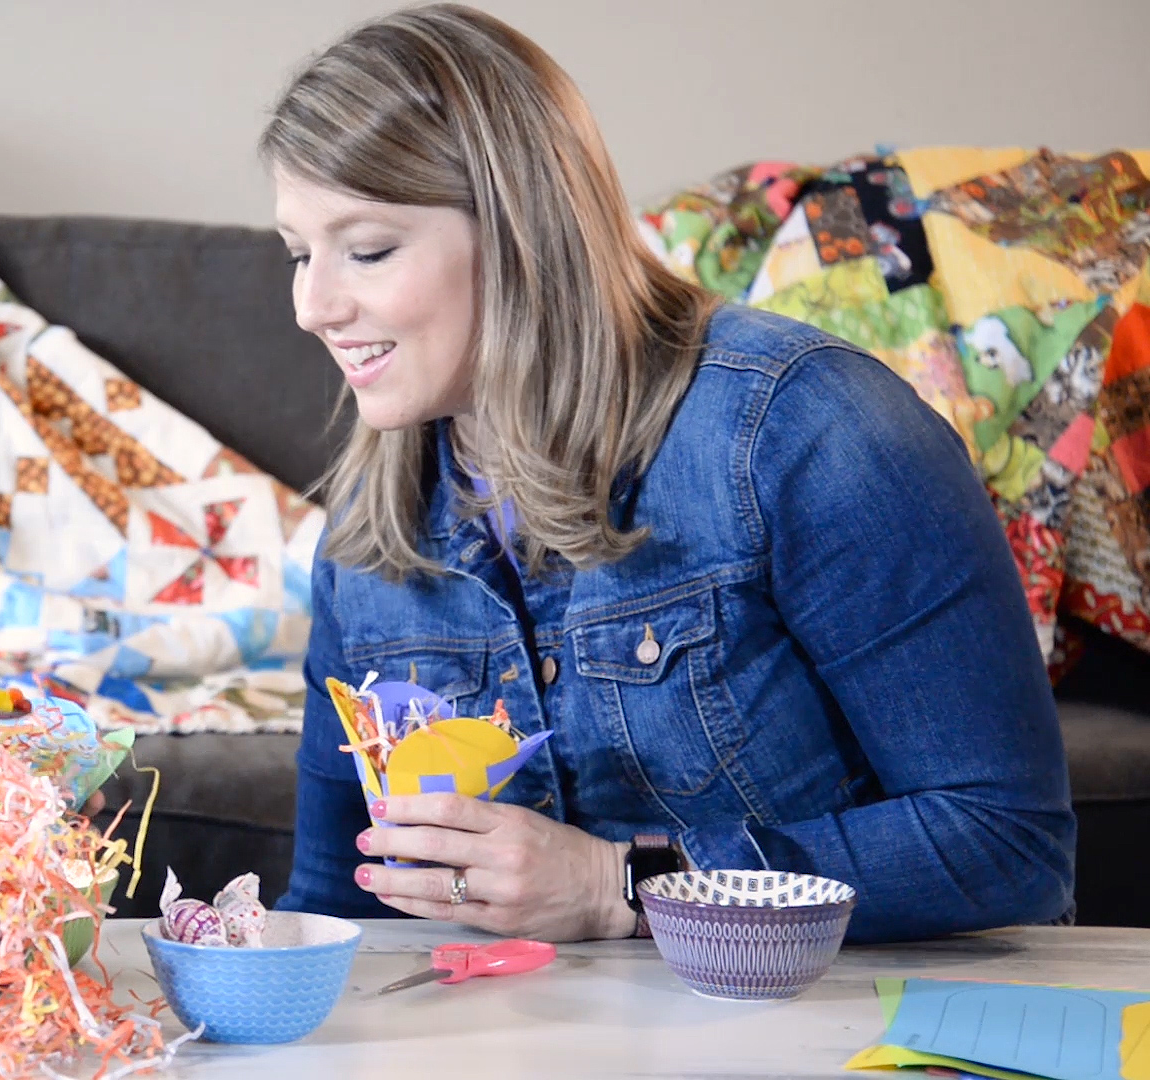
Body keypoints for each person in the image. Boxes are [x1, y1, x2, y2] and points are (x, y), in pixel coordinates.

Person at [264, 5, 1074, 944]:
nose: (312, 306)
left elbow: (1009, 841)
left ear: (524, 231)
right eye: (297, 253)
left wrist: (624, 884)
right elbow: (330, 905)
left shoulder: (811, 431)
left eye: (366, 250)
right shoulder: (370, 525)